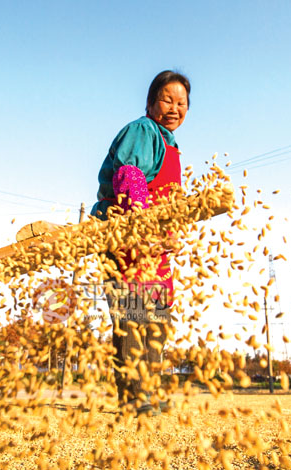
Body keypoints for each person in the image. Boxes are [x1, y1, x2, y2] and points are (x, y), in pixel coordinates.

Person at [90, 70, 190, 414]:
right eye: (167, 99)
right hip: (125, 234)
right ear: (150, 103)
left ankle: (149, 388)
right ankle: (133, 395)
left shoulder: (170, 144)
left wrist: (171, 232)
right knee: (132, 317)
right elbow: (129, 175)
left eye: (181, 102)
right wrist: (143, 225)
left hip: (155, 246)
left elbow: (171, 200)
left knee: (157, 320)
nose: (174, 107)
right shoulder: (143, 130)